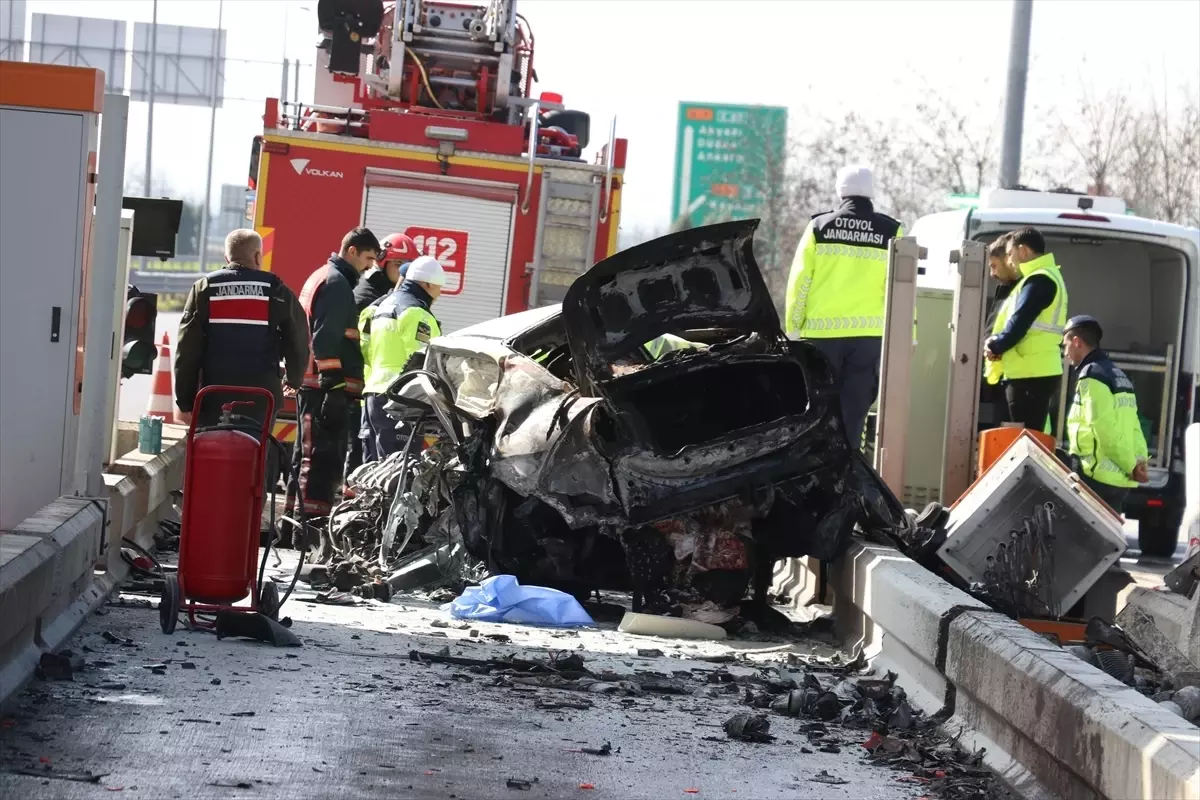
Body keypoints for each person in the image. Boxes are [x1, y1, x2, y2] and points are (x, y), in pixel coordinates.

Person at [784, 164, 903, 448]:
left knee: (818, 407)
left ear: (840, 191)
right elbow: (901, 286)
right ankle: (849, 463)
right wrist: (906, 333)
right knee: (855, 409)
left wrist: (794, 327)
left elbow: (801, 281)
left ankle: (816, 461)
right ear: (871, 192)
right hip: (868, 337)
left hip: (821, 337)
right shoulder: (891, 230)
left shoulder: (819, 227)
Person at [174, 229, 309, 430]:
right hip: (262, 395)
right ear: (258, 256)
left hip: (214, 395)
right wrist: (294, 379)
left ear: (227, 257)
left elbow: (187, 348)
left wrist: (185, 400)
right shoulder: (276, 289)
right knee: (256, 446)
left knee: (214, 446)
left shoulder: (205, 287)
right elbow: (297, 337)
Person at [293, 226, 380, 523]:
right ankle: (309, 529)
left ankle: (294, 527)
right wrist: (333, 386)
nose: (370, 267)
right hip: (324, 388)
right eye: (368, 259)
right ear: (352, 251)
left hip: (314, 385)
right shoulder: (337, 284)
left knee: (305, 459)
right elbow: (325, 338)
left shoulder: (324, 276)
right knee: (321, 462)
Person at [360, 255, 445, 461]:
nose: (440, 293)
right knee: (399, 468)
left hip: (373, 395)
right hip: (400, 401)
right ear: (427, 284)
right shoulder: (416, 312)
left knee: (375, 467)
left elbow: (365, 349)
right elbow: (425, 360)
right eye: (438, 287)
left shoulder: (378, 308)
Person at [983, 226, 1069, 431]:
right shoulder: (1042, 277)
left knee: (1020, 439)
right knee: (1023, 437)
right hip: (1032, 371)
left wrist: (996, 346)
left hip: (1029, 373)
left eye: (1010, 254)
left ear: (1023, 251)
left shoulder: (1039, 280)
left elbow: (1019, 322)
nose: (1009, 261)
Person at [1062, 315, 1149, 514]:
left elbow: (1103, 428)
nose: (1065, 352)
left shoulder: (1092, 375)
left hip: (1095, 477)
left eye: (1065, 345)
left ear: (1077, 342)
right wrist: (1139, 461)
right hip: (1119, 480)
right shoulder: (1119, 375)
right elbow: (1134, 425)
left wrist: (1131, 465)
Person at [349, 233, 416, 474]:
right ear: (384, 263)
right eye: (398, 264)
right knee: (370, 458)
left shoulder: (387, 293)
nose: (403, 271)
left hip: (376, 390)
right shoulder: (370, 296)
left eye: (407, 265)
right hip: (371, 388)